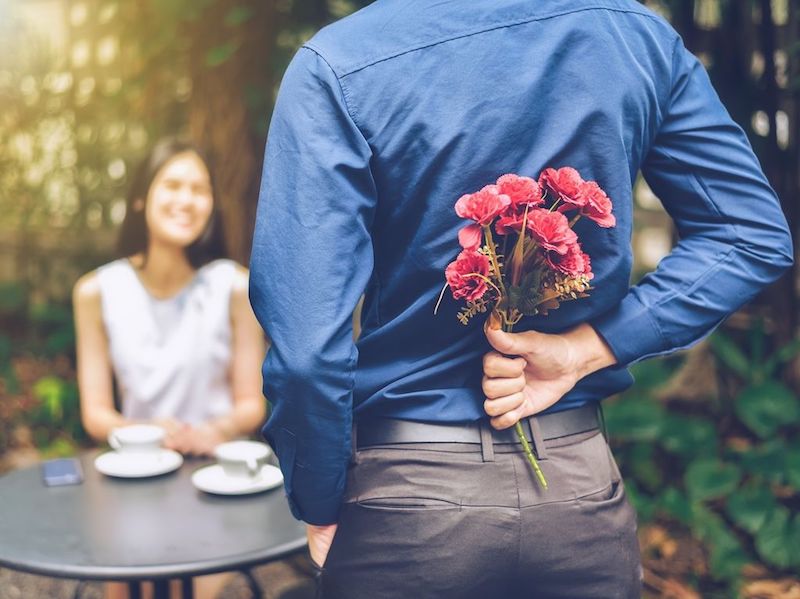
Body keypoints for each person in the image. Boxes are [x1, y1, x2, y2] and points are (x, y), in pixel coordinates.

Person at [249, 1, 794, 597]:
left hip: (408, 509)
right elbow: (747, 236)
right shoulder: (635, 36)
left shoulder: (341, 63)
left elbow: (306, 354)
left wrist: (320, 498)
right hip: (578, 495)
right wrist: (588, 349)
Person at [73, 137, 266, 599]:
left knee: (195, 589)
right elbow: (96, 414)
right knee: (121, 586)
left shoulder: (234, 286)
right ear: (142, 198)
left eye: (199, 190)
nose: (186, 200)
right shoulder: (97, 291)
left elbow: (251, 404)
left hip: (215, 479)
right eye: (173, 185)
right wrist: (144, 431)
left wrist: (213, 431)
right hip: (133, 481)